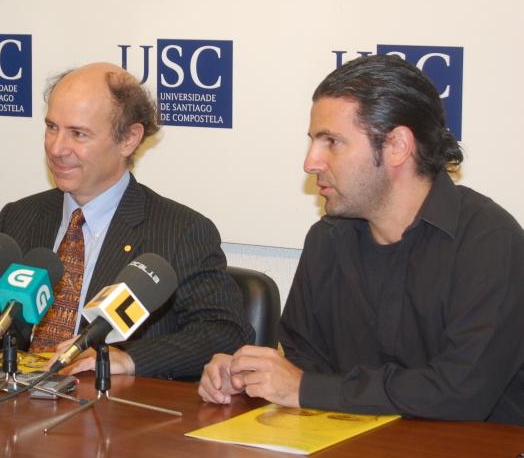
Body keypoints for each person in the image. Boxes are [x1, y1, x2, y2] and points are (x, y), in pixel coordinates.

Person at [198, 55, 524, 425]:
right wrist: (251, 375)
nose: (310, 162)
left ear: (397, 146)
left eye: (332, 142)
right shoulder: (328, 239)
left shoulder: (489, 242)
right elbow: (305, 364)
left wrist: (302, 387)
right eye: (313, 141)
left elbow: (460, 393)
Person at [0, 62, 252, 380]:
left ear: (129, 139)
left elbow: (225, 333)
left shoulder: (179, 232)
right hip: (12, 411)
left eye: (78, 134)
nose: (56, 147)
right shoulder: (20, 218)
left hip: (109, 417)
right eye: (52, 127)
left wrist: (126, 359)